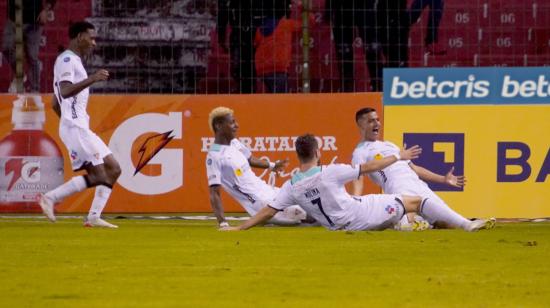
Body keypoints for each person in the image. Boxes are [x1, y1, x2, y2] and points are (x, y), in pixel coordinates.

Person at [223, 133, 493, 232]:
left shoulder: (292, 184)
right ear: (317, 152)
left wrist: (239, 228)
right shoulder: (330, 171)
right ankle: (467, 226)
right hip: (359, 216)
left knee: (405, 208)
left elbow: (268, 211)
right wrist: (397, 156)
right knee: (417, 201)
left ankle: (412, 224)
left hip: (343, 219)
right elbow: (368, 168)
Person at [350, 107, 495, 230]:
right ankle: (466, 224)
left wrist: (443, 179)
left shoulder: (389, 145)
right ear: (361, 125)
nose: (377, 123)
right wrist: (355, 203)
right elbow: (358, 177)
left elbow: (415, 169)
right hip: (397, 185)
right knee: (409, 221)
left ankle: (464, 223)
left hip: (418, 184)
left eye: (378, 119)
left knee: (443, 219)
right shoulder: (361, 151)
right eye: (371, 121)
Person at [38, 21, 121, 228]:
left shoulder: (73, 61)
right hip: (76, 127)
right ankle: (50, 197)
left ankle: (93, 216)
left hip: (78, 126)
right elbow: (65, 92)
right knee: (100, 174)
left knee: (114, 168)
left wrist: (68, 122)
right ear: (78, 37)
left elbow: (55, 102)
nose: (93, 43)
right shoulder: (67, 59)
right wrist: (93, 79)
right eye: (90, 38)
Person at [206, 106, 308, 228]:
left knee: (310, 201)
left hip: (269, 191)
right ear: (219, 126)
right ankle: (268, 220)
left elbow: (250, 159)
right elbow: (214, 192)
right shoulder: (214, 156)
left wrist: (272, 165)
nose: (237, 125)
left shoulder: (234, 143)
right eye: (232, 122)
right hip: (261, 203)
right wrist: (223, 223)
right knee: (309, 216)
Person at [2, 0, 56, 92]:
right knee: (6, 48)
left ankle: (35, 90)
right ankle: (20, 74)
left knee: (32, 56)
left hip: (34, 21)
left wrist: (46, 10)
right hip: (13, 20)